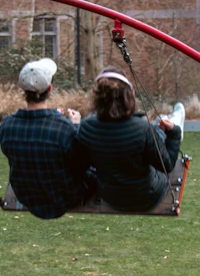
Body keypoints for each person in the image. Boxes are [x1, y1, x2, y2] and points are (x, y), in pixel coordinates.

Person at [76, 66, 185, 212]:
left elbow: (81, 164)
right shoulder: (142, 128)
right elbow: (167, 166)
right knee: (156, 136)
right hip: (147, 197)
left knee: (151, 137)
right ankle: (171, 124)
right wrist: (175, 134)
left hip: (111, 197)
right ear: (129, 94)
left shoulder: (87, 126)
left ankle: (163, 125)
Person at [0, 58, 92, 219]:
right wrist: (75, 125)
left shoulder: (7, 126)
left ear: (23, 90)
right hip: (65, 198)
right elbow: (81, 164)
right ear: (49, 88)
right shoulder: (63, 128)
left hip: (27, 195)